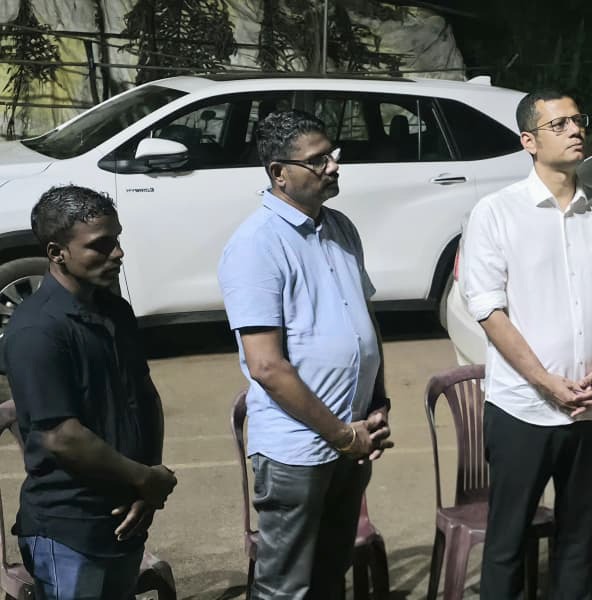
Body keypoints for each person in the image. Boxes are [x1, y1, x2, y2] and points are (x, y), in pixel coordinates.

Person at [459, 90, 592, 599]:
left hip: (590, 407)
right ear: (529, 141)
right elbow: (489, 310)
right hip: (523, 409)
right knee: (508, 543)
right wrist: (545, 382)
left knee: (580, 539)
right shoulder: (496, 213)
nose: (577, 130)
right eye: (560, 124)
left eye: (579, 120)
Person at [218, 110, 393, 598]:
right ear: (279, 173)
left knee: (328, 576)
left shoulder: (340, 228)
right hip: (299, 451)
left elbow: (365, 324)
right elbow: (267, 366)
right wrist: (342, 435)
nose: (333, 166)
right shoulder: (256, 245)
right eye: (317, 161)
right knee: (285, 588)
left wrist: (376, 403)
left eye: (333, 155)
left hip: (352, 439)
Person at [3, 185, 176, 598]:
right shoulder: (36, 330)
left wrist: (147, 481)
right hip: (69, 531)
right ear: (56, 252)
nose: (117, 253)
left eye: (116, 240)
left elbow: (144, 398)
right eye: (99, 246)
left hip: (125, 518)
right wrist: (145, 479)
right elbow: (62, 436)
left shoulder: (116, 310)